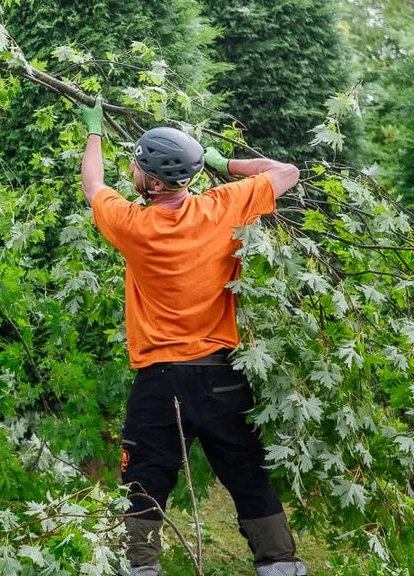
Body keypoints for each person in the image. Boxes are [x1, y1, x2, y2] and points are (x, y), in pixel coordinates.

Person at [77, 98, 306, 576]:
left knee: (143, 482)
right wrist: (222, 163)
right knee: (249, 478)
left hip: (160, 382)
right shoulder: (224, 206)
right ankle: (281, 567)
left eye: (138, 166)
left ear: (154, 183)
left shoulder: (133, 224)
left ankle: (141, 569)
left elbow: (93, 184)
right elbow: (286, 171)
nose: (132, 170)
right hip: (223, 377)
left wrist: (93, 132)